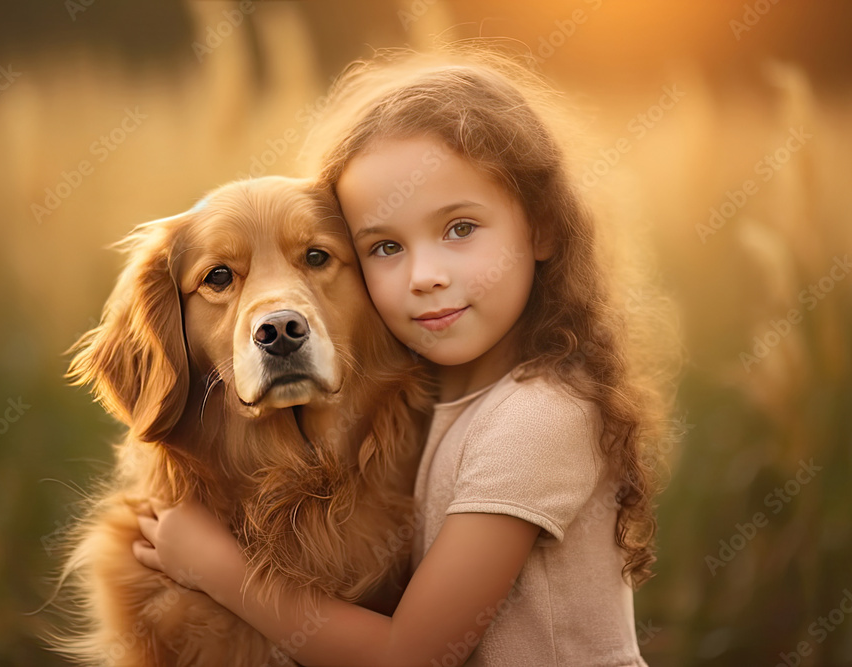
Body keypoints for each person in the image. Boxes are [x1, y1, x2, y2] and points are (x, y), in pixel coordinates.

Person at [133, 46, 678, 666]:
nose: (425, 275)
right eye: (386, 246)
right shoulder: (431, 397)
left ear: (543, 226)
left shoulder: (537, 419)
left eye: (460, 229)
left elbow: (410, 656)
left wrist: (216, 569)